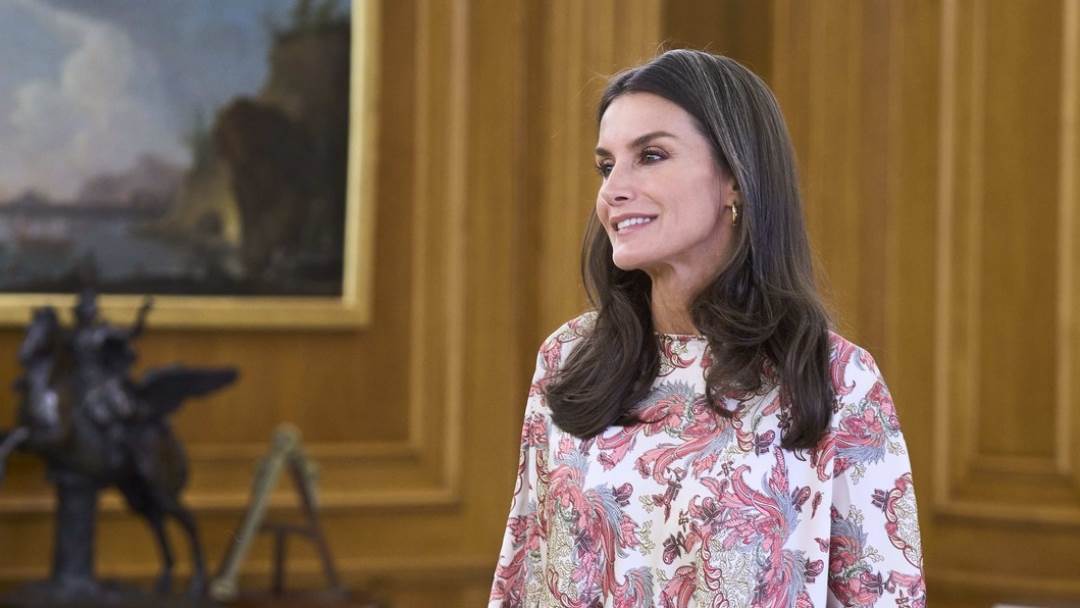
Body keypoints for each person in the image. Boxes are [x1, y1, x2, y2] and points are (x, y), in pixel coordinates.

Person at [488, 50, 925, 607]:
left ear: (735, 180)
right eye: (606, 165)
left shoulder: (837, 380)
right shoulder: (568, 359)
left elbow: (882, 595)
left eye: (650, 156)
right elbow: (524, 575)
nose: (612, 189)